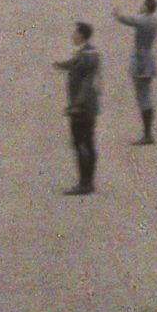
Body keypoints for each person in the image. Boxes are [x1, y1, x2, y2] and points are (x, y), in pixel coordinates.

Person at [55, 21, 102, 195]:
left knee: (80, 143)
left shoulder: (86, 56)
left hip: (82, 107)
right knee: (88, 142)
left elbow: (85, 83)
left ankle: (85, 183)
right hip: (89, 106)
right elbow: (75, 63)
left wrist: (76, 105)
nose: (72, 36)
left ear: (82, 35)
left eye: (75, 33)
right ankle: (88, 181)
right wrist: (62, 65)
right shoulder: (89, 51)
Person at [115, 0, 157, 145]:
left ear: (146, 7)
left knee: (143, 98)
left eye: (142, 4)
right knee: (145, 96)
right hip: (148, 58)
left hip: (141, 61)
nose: (140, 6)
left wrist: (118, 15)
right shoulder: (154, 20)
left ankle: (147, 134)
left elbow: (129, 20)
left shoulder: (144, 20)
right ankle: (148, 132)